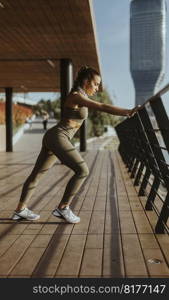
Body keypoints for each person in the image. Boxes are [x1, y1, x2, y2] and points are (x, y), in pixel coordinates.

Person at [12, 66, 139, 223]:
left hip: (54, 137)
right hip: (58, 136)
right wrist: (127, 111)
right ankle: (63, 208)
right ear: (86, 82)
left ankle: (20, 210)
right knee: (82, 170)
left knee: (37, 175)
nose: (98, 88)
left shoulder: (80, 95)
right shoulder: (76, 96)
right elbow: (102, 107)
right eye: (96, 84)